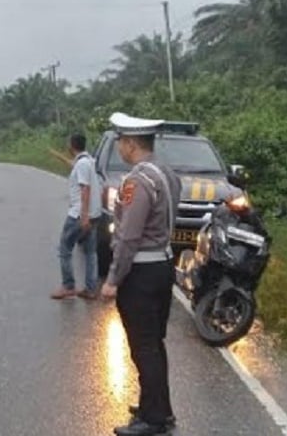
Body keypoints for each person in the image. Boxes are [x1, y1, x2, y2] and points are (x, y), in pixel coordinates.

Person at [100, 113, 182, 436]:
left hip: (141, 273)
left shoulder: (136, 182)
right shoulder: (166, 174)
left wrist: (112, 279)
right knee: (154, 342)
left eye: (121, 140)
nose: (120, 145)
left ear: (131, 144)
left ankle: (153, 420)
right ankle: (158, 406)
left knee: (143, 346)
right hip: (163, 265)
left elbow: (128, 236)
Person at [50, 132, 102, 300]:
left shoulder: (82, 165)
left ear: (71, 145)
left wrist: (83, 216)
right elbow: (73, 164)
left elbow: (85, 189)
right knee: (90, 252)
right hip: (94, 214)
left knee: (64, 249)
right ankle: (90, 288)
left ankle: (68, 286)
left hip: (79, 215)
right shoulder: (88, 161)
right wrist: (58, 156)